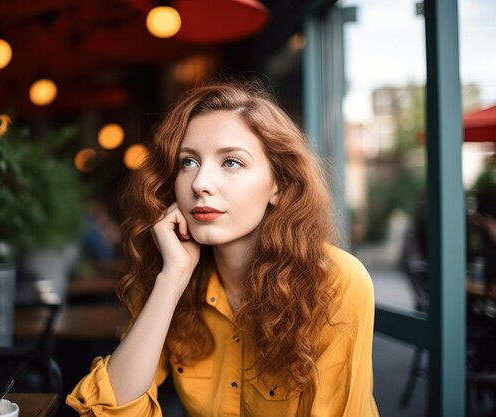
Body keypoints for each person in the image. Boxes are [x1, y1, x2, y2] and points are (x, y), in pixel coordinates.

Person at [66, 81, 379, 416]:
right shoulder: (170, 277)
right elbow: (109, 410)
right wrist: (173, 277)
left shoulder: (335, 282)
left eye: (231, 162)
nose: (200, 183)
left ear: (279, 185)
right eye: (188, 162)